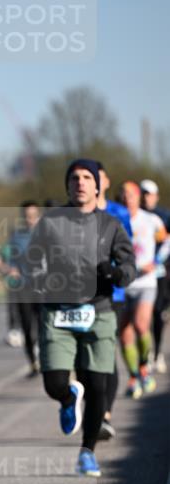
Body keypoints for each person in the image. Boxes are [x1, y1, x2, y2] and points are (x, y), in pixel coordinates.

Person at [26, 159, 135, 477]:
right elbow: (31, 260)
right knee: (54, 383)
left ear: (97, 186)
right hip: (58, 312)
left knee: (98, 385)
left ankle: (87, 452)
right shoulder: (51, 222)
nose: (81, 182)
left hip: (98, 311)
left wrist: (115, 273)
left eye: (87, 177)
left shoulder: (111, 224)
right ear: (67, 185)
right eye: (74, 177)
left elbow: (129, 265)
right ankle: (66, 397)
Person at [93, 164, 133, 439]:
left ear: (105, 182)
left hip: (112, 295)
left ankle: (104, 415)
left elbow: (126, 252)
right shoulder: (71, 214)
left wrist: (115, 271)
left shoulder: (119, 213)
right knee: (85, 360)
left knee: (106, 353)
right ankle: (93, 408)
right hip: (80, 295)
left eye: (97, 176)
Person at [118, 181, 168, 398]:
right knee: (124, 334)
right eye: (123, 195)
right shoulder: (114, 220)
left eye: (130, 194)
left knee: (140, 324)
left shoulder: (151, 219)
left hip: (146, 282)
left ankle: (144, 366)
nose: (126, 198)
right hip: (122, 284)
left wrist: (156, 262)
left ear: (138, 197)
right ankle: (133, 376)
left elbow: (166, 240)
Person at [3, 201, 41, 376]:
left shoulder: (47, 234)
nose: (30, 219)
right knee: (26, 325)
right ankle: (32, 363)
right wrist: (12, 269)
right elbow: (10, 258)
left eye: (33, 215)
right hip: (24, 287)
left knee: (44, 324)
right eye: (27, 215)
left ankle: (44, 357)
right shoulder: (16, 237)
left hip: (43, 287)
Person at [140, 179, 170, 374]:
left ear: (156, 197)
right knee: (142, 317)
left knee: (158, 313)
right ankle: (146, 354)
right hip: (138, 275)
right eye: (143, 193)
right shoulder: (132, 215)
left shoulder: (164, 216)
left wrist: (158, 261)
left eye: (149, 194)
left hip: (159, 273)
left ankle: (158, 352)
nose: (146, 198)